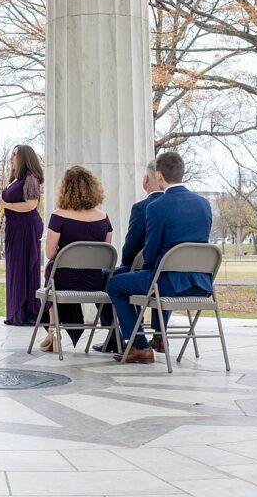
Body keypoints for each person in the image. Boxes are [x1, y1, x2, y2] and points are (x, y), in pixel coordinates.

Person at [106, 150, 213, 364]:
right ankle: (157, 336)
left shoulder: (156, 207)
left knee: (115, 285)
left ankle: (139, 345)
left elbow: (151, 252)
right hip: (202, 284)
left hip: (165, 283)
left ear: (160, 177)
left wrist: (144, 269)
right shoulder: (204, 204)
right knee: (141, 279)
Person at [39, 165, 112, 351]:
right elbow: (106, 253)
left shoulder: (58, 216)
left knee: (51, 270)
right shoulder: (104, 218)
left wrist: (67, 255)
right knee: (54, 271)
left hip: (63, 281)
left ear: (66, 189)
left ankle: (52, 332)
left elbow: (50, 253)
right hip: (92, 282)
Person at [96, 159, 164, 353]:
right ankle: (160, 336)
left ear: (146, 180)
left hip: (143, 271)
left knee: (107, 278)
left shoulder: (142, 207)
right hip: (167, 273)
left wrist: (127, 262)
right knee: (161, 273)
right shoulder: (175, 207)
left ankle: (121, 337)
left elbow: (131, 249)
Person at [0, 144, 44, 326]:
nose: (11, 158)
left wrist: (5, 204)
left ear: (24, 158)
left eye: (15, 155)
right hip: (14, 227)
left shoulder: (30, 178)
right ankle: (16, 311)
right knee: (15, 267)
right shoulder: (15, 179)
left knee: (24, 267)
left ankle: (27, 313)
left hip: (27, 226)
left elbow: (31, 205)